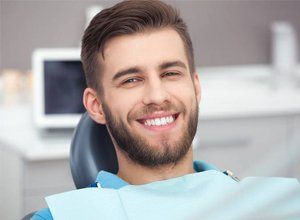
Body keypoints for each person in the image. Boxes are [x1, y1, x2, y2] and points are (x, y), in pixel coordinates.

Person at [32, 1, 300, 219]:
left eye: (170, 73)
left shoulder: (279, 204)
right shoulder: (62, 216)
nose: (157, 96)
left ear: (195, 87)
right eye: (131, 80)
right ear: (96, 106)